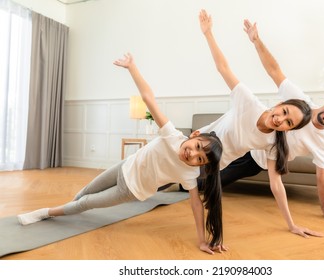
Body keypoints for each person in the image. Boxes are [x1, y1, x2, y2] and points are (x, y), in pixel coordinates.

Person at [17, 52, 226, 255]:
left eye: (200, 159)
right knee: (83, 193)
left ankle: (43, 213)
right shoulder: (172, 135)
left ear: (201, 165)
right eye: (197, 146)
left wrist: (201, 239)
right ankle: (68, 210)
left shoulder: (189, 175)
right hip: (125, 166)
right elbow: (148, 98)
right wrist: (132, 67)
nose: (192, 155)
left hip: (131, 190)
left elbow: (196, 206)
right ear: (195, 135)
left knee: (86, 203)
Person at [219, 19, 324, 225]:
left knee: (207, 183)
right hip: (243, 135)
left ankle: (184, 184)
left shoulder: (323, 143)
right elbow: (274, 71)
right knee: (202, 157)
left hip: (255, 160)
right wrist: (256, 41)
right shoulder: (299, 100)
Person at [197, 9, 322, 238]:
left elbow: (276, 184)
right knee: (156, 172)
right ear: (277, 104)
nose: (280, 120)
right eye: (284, 111)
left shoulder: (274, 142)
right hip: (197, 143)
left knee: (196, 191)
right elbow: (223, 68)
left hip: (214, 166)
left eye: (288, 123)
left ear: (289, 130)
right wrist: (208, 34)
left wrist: (292, 225)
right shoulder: (248, 101)